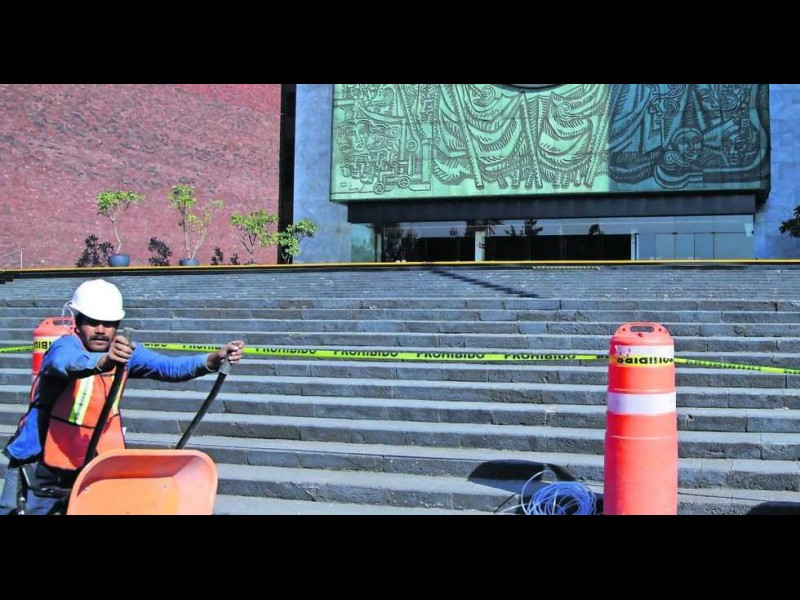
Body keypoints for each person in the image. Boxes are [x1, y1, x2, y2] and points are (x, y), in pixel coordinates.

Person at [0, 279, 245, 515]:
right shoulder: (65, 346)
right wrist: (105, 361)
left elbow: (169, 367)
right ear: (78, 321)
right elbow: (67, 362)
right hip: (39, 464)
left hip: (93, 464)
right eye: (93, 322)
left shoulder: (127, 353)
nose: (100, 330)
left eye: (108, 323)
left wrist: (212, 359)